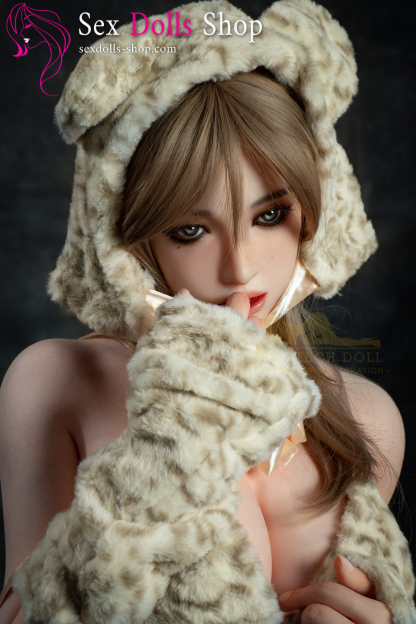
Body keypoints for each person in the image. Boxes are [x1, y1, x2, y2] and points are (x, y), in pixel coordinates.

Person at [0, 1, 414, 623]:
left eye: (270, 215)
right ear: (135, 243)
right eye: (191, 230)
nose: (240, 269)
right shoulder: (56, 383)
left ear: (315, 212)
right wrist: (180, 424)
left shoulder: (368, 417)